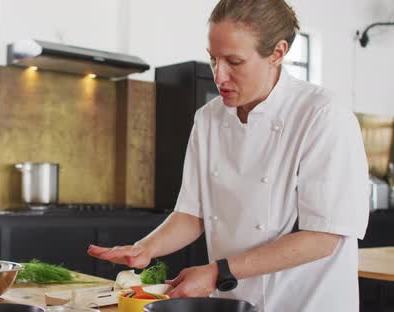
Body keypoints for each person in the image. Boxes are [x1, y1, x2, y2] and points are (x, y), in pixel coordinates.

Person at [88, 0, 369, 311]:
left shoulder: (322, 115)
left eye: (234, 62)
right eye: (213, 59)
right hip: (234, 300)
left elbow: (322, 237)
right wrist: (144, 248)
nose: (219, 76)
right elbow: (191, 214)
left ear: (277, 53)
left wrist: (217, 272)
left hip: (303, 302)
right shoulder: (208, 119)